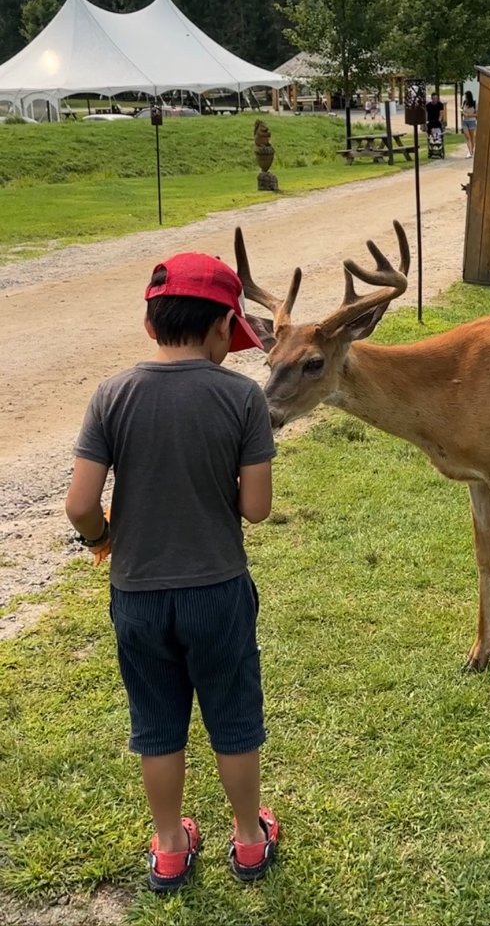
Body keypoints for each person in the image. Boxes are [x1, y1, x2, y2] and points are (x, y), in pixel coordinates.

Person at [65, 253, 279, 892]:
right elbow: (257, 509)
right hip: (217, 588)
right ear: (221, 326)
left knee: (156, 723)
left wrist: (103, 539)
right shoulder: (241, 396)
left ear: (153, 322)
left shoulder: (113, 394)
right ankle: (247, 840)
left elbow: (79, 505)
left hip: (136, 594)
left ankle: (168, 848)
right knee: (234, 715)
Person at [461, 90, 478, 157]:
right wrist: (463, 112)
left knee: (472, 137)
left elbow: (477, 114)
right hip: (465, 121)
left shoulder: (474, 103)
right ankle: (470, 151)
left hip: (472, 121)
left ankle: (471, 150)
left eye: (466, 97)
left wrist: (469, 115)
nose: (465, 98)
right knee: (467, 137)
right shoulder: (464, 103)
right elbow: (463, 111)